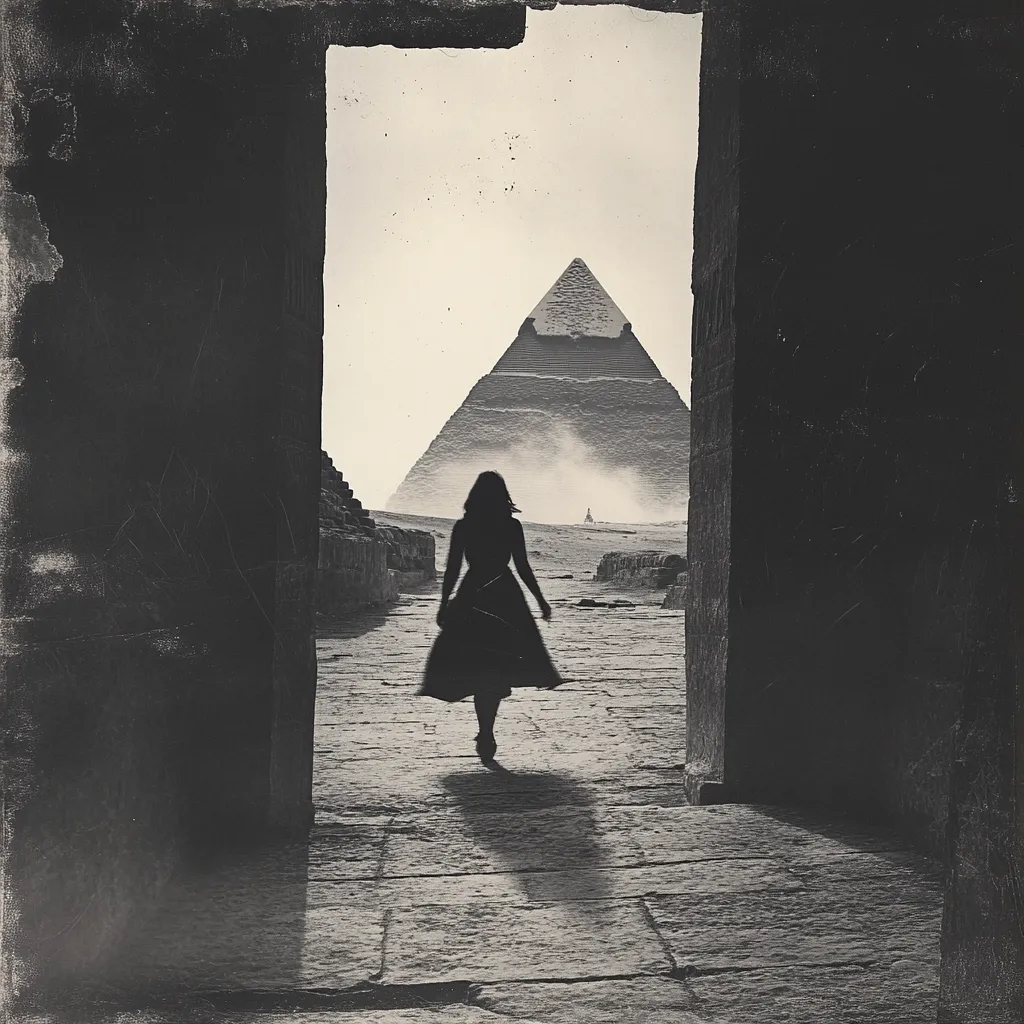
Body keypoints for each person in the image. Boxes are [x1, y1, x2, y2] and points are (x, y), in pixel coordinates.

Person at [419, 471, 563, 763]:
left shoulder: (463, 526)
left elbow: (453, 569)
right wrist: (540, 601)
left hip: (473, 594)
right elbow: (522, 566)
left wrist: (444, 603)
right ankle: (487, 729)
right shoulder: (511, 526)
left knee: (477, 664)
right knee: (496, 666)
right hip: (505, 596)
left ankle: (485, 729)